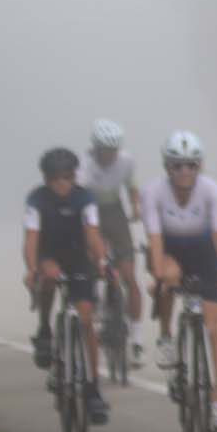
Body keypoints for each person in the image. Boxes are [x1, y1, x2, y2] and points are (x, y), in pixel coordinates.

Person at [145, 130, 217, 432]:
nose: (185, 172)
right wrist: (158, 278)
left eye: (192, 165)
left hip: (204, 255)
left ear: (200, 167)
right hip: (171, 252)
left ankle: (216, 405)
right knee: (168, 276)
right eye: (177, 165)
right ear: (167, 167)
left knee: (211, 330)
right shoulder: (154, 192)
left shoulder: (210, 190)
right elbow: (155, 240)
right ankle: (167, 337)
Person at [23, 146, 110, 425]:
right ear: (46, 179)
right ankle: (45, 329)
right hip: (49, 254)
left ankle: (93, 387)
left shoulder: (85, 198)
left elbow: (93, 235)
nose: (61, 183)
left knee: (86, 320)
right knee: (48, 276)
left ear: (74, 176)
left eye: (67, 177)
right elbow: (31, 239)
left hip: (78, 257)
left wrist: (102, 261)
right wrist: (32, 269)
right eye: (55, 178)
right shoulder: (36, 199)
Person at [78, 118, 146, 366]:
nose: (110, 156)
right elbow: (81, 199)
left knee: (129, 275)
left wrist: (136, 208)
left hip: (115, 211)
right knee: (98, 259)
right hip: (90, 209)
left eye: (114, 151)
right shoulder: (84, 165)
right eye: (105, 151)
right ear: (95, 148)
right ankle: (95, 298)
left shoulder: (126, 161)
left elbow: (132, 187)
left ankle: (137, 338)